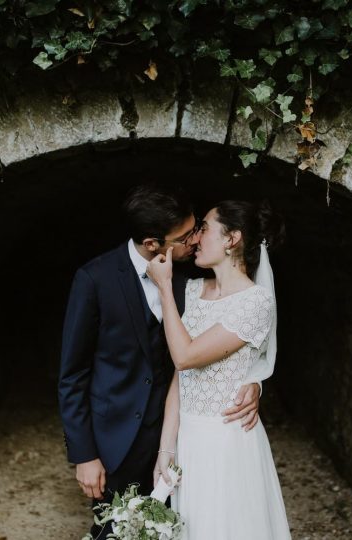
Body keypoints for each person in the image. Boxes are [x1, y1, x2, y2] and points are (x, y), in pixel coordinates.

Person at [58, 185, 263, 540]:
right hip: (115, 444)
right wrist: (84, 455)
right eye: (186, 236)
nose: (196, 239)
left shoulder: (196, 280)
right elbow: (72, 375)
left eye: (198, 227)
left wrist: (254, 380)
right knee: (117, 532)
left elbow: (233, 337)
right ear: (154, 243)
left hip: (182, 440)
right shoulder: (95, 279)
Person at [146, 199, 291, 540]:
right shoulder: (194, 290)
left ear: (231, 239)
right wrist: (166, 450)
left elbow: (185, 357)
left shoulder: (256, 303)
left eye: (205, 229)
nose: (195, 239)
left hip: (226, 442)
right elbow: (182, 379)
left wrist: (164, 288)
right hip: (189, 441)